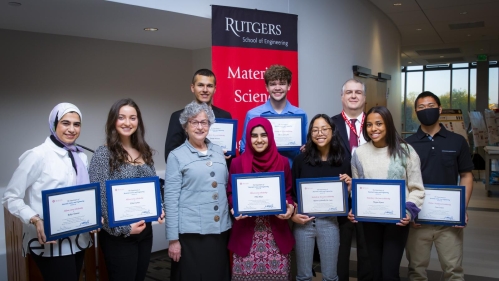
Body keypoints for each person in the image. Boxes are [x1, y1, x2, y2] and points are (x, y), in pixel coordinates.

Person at [2, 103, 92, 281]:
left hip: (78, 239)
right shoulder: (37, 155)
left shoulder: (80, 156)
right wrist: (35, 219)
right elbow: (10, 197)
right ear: (54, 124)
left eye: (77, 124)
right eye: (65, 123)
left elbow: (82, 195)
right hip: (49, 241)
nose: (72, 129)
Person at [89, 98, 164, 281]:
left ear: (138, 122)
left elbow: (153, 185)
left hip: (145, 232)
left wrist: (159, 207)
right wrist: (124, 228)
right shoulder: (103, 154)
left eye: (133, 118)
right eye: (122, 117)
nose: (127, 123)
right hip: (119, 236)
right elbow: (100, 199)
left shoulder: (144, 151)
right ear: (113, 120)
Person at [348, 106, 425, 281]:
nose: (373, 129)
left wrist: (408, 211)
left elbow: (417, 188)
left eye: (378, 124)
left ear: (388, 124)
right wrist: (355, 209)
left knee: (389, 273)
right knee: (374, 271)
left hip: (397, 222)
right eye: (369, 125)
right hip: (369, 222)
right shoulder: (359, 154)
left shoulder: (406, 151)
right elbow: (357, 187)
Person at [405, 91, 474, 281]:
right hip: (418, 220)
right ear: (415, 112)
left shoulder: (457, 141)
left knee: (453, 271)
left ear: (440, 108)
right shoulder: (407, 144)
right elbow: (402, 181)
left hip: (449, 221)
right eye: (421, 107)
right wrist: (409, 210)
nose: (426, 110)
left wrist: (462, 208)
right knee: (416, 271)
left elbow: (467, 175)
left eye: (430, 106)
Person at [165, 101, 232, 281]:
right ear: (186, 126)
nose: (200, 127)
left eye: (204, 122)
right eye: (194, 122)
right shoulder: (176, 156)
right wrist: (173, 239)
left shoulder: (219, 152)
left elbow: (225, 187)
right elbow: (171, 200)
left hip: (219, 232)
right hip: (191, 235)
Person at [227, 117, 295, 281]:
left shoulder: (283, 162)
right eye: (254, 135)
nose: (259, 140)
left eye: (263, 135)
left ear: (270, 136)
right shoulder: (237, 163)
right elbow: (230, 193)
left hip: (275, 234)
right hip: (246, 234)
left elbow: (288, 193)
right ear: (248, 138)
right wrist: (233, 207)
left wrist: (290, 207)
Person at [291, 114, 352, 281]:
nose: (320, 133)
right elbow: (292, 192)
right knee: (303, 275)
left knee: (331, 276)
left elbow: (346, 201)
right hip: (304, 224)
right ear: (310, 134)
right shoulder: (300, 161)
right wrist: (293, 214)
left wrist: (348, 189)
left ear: (332, 131)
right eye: (315, 130)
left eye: (324, 129)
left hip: (330, 224)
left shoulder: (343, 162)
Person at [330, 79, 371, 281]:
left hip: (370, 195)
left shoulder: (375, 122)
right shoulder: (330, 124)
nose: (353, 96)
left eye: (357, 92)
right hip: (340, 196)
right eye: (349, 92)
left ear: (364, 97)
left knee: (367, 247)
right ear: (342, 97)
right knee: (340, 248)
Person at [240, 64, 307, 163]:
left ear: (289, 86)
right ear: (266, 87)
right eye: (273, 84)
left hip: (292, 172)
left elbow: (305, 148)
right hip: (263, 173)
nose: (277, 88)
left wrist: (306, 150)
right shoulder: (253, 115)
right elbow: (244, 150)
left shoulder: (300, 115)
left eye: (282, 83)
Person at [164, 68, 232, 162]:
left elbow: (230, 155)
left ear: (215, 89)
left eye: (209, 86)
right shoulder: (178, 116)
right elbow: (170, 155)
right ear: (192, 88)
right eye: (200, 85)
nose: (205, 90)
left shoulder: (225, 116)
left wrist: (225, 156)